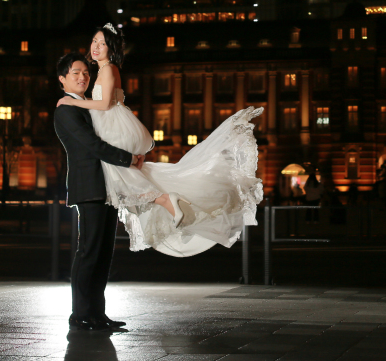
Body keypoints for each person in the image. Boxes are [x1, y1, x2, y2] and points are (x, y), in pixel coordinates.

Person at [57, 23, 264, 258]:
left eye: (102, 43)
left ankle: (164, 199)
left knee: (119, 172)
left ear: (111, 48)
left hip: (113, 126)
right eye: (94, 41)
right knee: (127, 173)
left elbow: (104, 105)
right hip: (118, 125)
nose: (96, 47)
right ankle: (165, 198)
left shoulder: (107, 69)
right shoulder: (107, 70)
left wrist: (73, 101)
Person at [54, 52, 144, 332]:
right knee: (89, 251)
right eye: (75, 73)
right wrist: (127, 158)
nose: (82, 77)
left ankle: (97, 314)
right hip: (90, 186)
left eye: (85, 73)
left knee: (104, 253)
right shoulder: (66, 110)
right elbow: (92, 144)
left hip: (107, 186)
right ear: (62, 79)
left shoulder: (88, 106)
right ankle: (80, 314)